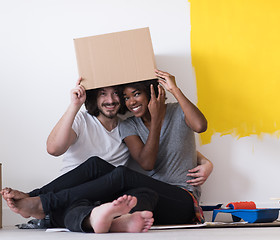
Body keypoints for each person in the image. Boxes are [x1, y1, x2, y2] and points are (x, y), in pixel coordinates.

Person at [2, 69, 207, 232]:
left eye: (136, 94)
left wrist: (174, 92)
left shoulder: (176, 112)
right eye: (126, 97)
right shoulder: (129, 126)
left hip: (183, 198)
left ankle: (42, 204)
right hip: (145, 194)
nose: (131, 101)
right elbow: (148, 163)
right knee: (98, 167)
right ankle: (118, 221)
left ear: (153, 92)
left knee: (122, 175)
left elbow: (199, 127)